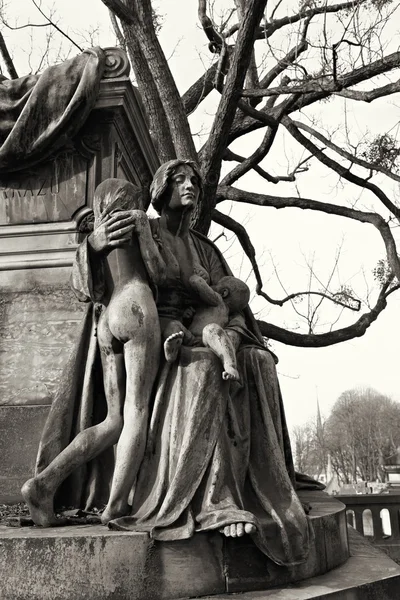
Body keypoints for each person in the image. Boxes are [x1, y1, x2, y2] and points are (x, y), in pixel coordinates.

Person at [34, 159, 317, 567]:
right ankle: (210, 500)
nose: (190, 187)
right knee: (193, 373)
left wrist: (231, 335)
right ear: (160, 190)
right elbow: (92, 284)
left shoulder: (205, 247)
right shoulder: (145, 228)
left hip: (194, 331)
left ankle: (257, 485)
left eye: (194, 182)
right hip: (151, 331)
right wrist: (94, 245)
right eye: (179, 180)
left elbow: (234, 304)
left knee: (259, 361)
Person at [21, 178, 162, 527]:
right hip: (136, 308)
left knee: (112, 421)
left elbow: (84, 288)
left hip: (108, 317)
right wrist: (146, 234)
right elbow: (163, 275)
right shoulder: (137, 221)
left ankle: (44, 483)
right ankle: (116, 506)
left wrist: (93, 244)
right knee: (136, 412)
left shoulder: (98, 234)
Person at [163, 275, 250, 381]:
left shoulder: (217, 299)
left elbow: (196, 282)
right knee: (174, 325)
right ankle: (172, 352)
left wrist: (196, 276)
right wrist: (188, 316)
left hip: (204, 338)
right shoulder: (225, 315)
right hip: (192, 337)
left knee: (211, 329)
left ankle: (230, 365)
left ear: (224, 292)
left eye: (217, 285)